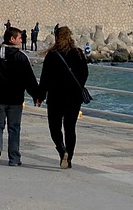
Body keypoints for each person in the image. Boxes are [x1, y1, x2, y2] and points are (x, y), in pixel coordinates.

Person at [0, 26, 43, 166]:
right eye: (19, 38)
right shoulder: (21, 57)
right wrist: (37, 95)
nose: (21, 40)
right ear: (12, 39)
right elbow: (29, 79)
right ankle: (14, 159)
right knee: (14, 128)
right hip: (15, 99)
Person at [39, 26, 90, 169]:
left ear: (56, 37)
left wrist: (40, 95)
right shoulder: (78, 53)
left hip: (55, 96)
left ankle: (62, 151)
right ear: (70, 36)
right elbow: (85, 74)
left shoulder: (52, 55)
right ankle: (70, 157)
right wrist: (77, 86)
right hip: (73, 98)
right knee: (70, 128)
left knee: (54, 127)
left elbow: (45, 77)